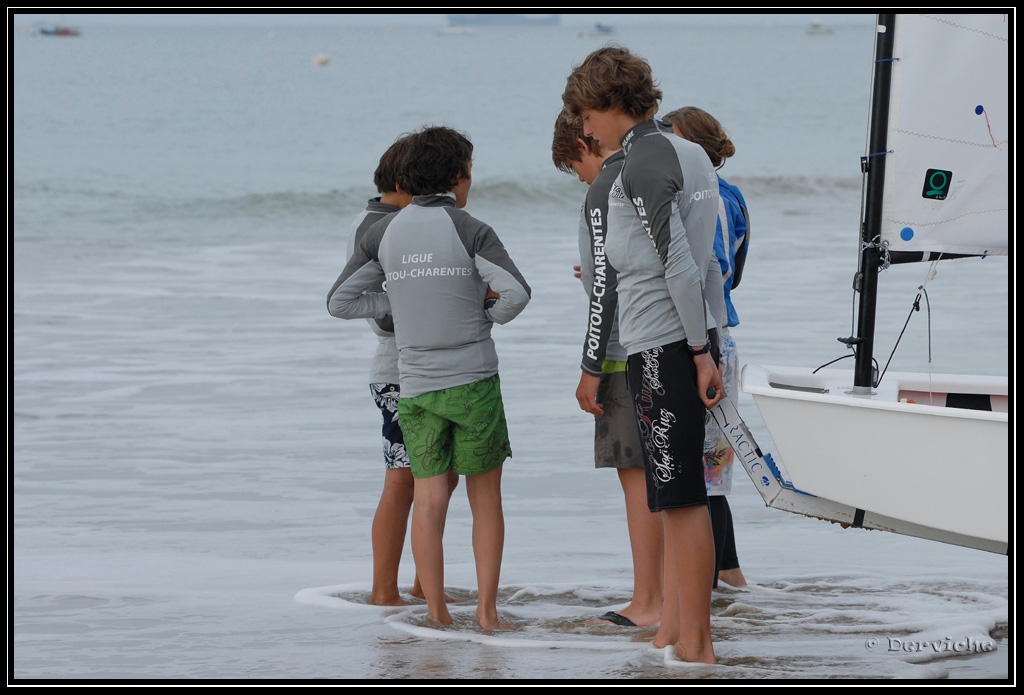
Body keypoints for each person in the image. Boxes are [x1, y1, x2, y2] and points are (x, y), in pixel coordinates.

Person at [327, 126, 531, 629]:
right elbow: (516, 295)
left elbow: (341, 301)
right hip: (473, 380)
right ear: (458, 177)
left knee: (429, 496)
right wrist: (480, 315)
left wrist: (403, 306)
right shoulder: (470, 227)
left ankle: (435, 610)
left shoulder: (383, 231)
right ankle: (486, 612)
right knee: (485, 498)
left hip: (414, 385)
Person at [562, 46, 724, 664]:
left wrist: (698, 349)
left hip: (662, 344)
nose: (583, 129)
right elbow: (707, 262)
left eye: (585, 114)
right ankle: (676, 634)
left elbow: (678, 261)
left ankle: (698, 648)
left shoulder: (645, 158)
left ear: (607, 103)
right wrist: (706, 340)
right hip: (681, 337)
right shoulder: (689, 153)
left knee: (680, 499)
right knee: (680, 495)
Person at [550, 111, 662, 628]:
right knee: (669, 479)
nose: (581, 180)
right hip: (667, 339)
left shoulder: (604, 188)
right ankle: (674, 596)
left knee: (635, 479)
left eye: (576, 168)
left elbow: (606, 290)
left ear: (584, 141)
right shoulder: (654, 165)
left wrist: (590, 364)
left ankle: (648, 602)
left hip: (621, 353)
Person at [342, 136, 459, 606]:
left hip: (424, 366)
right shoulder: (377, 226)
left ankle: (420, 583)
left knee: (440, 477)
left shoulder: (395, 221)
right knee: (403, 479)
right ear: (401, 181)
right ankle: (383, 589)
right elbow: (377, 311)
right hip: (399, 368)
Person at [662, 106, 750, 590]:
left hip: (706, 338)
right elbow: (733, 267)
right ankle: (727, 577)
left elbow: (708, 266)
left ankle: (710, 587)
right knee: (711, 472)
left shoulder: (706, 196)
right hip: (721, 332)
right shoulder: (731, 195)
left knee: (703, 477)